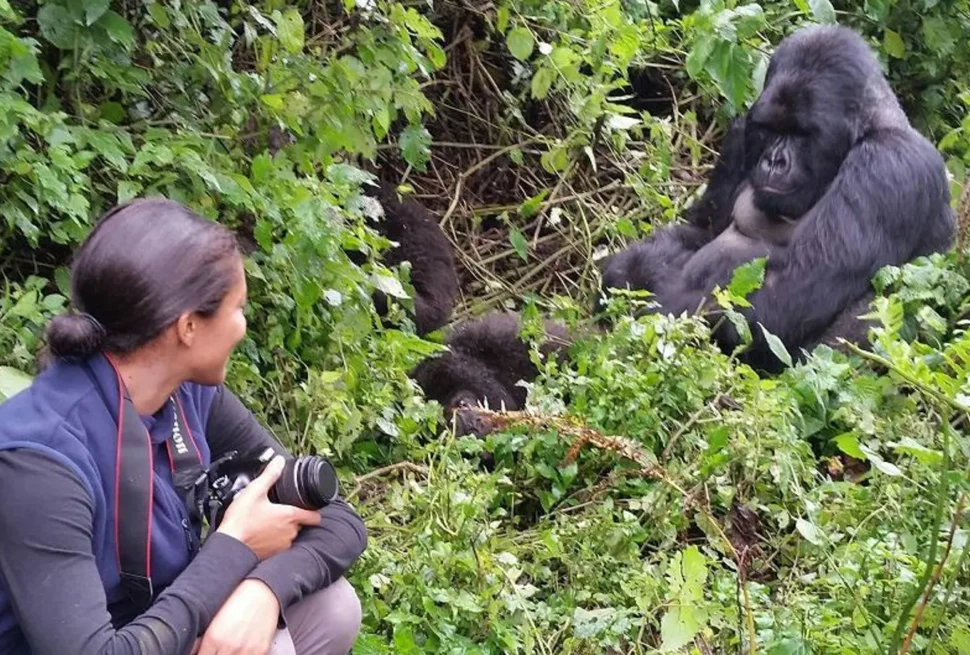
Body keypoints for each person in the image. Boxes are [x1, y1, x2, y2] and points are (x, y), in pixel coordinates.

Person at [0, 198, 368, 655]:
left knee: (330, 608)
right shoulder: (40, 461)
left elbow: (337, 519)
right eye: (238, 308)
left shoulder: (187, 395)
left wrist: (263, 589)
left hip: (154, 628)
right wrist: (235, 546)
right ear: (188, 326)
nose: (242, 326)